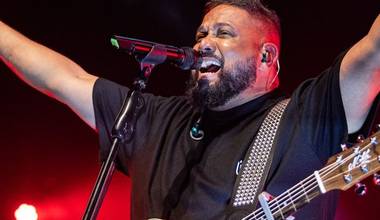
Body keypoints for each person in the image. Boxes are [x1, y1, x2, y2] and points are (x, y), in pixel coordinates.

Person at [1, 0, 379, 219]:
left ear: (266, 56)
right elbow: (61, 78)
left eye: (223, 34)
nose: (203, 44)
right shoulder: (157, 119)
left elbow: (373, 52)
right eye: (201, 34)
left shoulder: (306, 117)